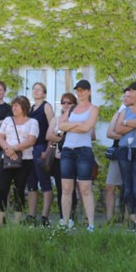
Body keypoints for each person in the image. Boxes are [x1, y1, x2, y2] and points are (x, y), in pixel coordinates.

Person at [55, 80, 100, 231]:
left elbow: (87, 128)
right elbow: (61, 125)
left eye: (83, 90)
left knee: (85, 188)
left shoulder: (93, 109)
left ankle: (91, 225)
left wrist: (70, 126)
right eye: (78, 90)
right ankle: (65, 223)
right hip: (67, 150)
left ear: (89, 91)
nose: (80, 93)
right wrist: (78, 125)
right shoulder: (72, 108)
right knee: (66, 188)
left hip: (84, 151)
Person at [0, 96, 38, 226]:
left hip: (25, 160)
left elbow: (31, 141)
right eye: (13, 105)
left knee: (19, 190)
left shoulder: (32, 122)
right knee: (2, 189)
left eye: (16, 106)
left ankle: (16, 223)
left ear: (24, 107)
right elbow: (0, 138)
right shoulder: (8, 120)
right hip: (7, 159)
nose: (13, 108)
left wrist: (13, 149)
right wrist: (8, 150)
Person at [112, 82, 136, 231]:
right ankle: (133, 218)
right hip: (124, 150)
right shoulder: (124, 110)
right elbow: (118, 129)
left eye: (132, 91)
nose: (130, 94)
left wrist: (127, 123)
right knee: (127, 187)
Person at [25, 82, 56, 226]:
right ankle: (31, 215)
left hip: (42, 147)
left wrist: (48, 149)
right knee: (31, 183)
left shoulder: (46, 106)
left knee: (44, 182)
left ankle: (44, 217)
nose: (36, 91)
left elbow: (53, 128)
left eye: (39, 89)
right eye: (34, 89)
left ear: (44, 93)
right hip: (30, 149)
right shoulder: (31, 109)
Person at [47, 92, 78, 224]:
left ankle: (72, 217)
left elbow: (91, 135)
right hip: (58, 158)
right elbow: (48, 136)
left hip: (74, 157)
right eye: (63, 102)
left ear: (74, 104)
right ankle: (63, 217)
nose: (66, 105)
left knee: (73, 189)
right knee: (61, 189)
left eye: (69, 102)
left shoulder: (79, 119)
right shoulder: (56, 119)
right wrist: (63, 138)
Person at [104, 93, 127, 225]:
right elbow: (109, 133)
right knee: (110, 185)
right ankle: (109, 219)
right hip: (118, 152)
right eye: (124, 96)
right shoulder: (119, 113)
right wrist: (128, 136)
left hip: (133, 153)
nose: (125, 99)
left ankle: (128, 219)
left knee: (129, 187)